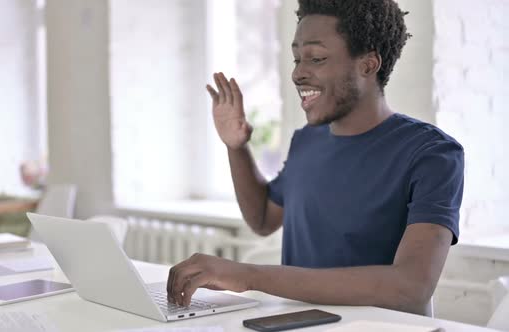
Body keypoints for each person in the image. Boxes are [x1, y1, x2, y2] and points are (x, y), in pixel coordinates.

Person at [167, 0, 464, 316]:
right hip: (298, 323)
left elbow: (410, 289)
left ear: (368, 64)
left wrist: (246, 276)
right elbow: (263, 220)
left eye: (316, 58)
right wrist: (236, 147)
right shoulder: (306, 140)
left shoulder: (432, 153)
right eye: (296, 59)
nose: (298, 73)